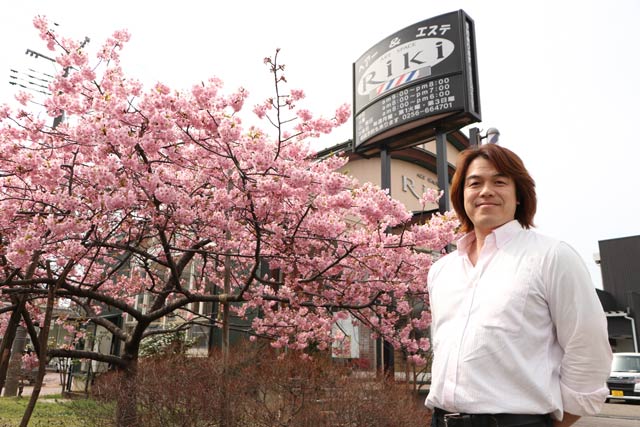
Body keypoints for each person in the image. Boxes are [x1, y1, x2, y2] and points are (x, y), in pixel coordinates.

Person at [425, 143, 612, 427]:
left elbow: (588, 349)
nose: (486, 190)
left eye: (499, 182)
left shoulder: (552, 256)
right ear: (461, 195)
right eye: (474, 183)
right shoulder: (442, 271)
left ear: (519, 195)